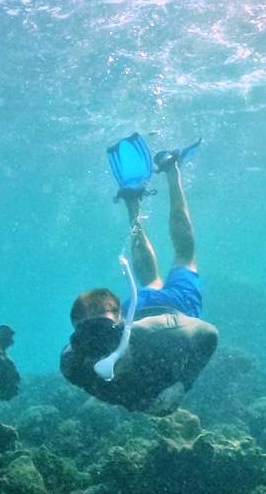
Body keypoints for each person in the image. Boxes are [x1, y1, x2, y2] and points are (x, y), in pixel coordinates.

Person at [60, 148, 219, 413]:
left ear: (121, 324)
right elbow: (96, 381)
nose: (99, 350)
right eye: (87, 340)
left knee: (184, 254)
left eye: (103, 336)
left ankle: (172, 171)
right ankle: (133, 202)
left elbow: (209, 335)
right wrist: (131, 400)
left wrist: (183, 385)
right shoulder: (73, 362)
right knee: (150, 278)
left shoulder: (160, 333)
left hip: (178, 308)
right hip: (140, 305)